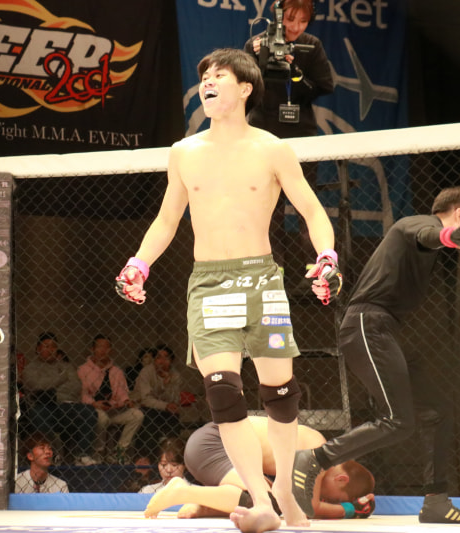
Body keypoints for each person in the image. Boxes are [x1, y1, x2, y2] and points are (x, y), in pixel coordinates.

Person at [115, 47, 341, 532]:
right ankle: (260, 499)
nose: (208, 82)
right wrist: (138, 264)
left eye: (219, 75)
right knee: (222, 391)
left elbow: (312, 210)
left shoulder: (272, 149)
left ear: (245, 88)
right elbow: (167, 219)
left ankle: (284, 488)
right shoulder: (184, 152)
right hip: (211, 284)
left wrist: (327, 257)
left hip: (262, 280)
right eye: (204, 76)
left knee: (280, 394)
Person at [291, 187, 460, 524]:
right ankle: (316, 458)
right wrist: (451, 235)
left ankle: (436, 502)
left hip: (385, 330)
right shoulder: (415, 225)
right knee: (397, 421)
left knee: (437, 410)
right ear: (458, 214)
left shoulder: (423, 242)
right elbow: (427, 235)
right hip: (367, 325)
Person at [243, 0, 333, 266]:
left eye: (303, 21)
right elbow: (244, 90)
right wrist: (257, 60)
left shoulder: (311, 45)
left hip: (301, 138)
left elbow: (324, 86)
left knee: (306, 207)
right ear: (278, 15)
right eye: (291, 19)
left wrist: (295, 73)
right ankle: (273, 270)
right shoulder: (255, 44)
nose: (296, 27)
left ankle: (318, 270)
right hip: (262, 137)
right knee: (269, 210)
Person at [145, 417, 375, 520]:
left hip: (212, 445)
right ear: (341, 479)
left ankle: (205, 505)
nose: (330, 500)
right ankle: (185, 491)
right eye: (337, 498)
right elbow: (309, 508)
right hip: (213, 445)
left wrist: (351, 505)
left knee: (268, 500)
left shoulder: (315, 445)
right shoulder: (317, 451)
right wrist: (349, 509)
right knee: (270, 503)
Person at [21, 331, 99, 466]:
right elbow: (37, 386)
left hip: (66, 406)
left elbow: (75, 386)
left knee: (88, 412)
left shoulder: (66, 366)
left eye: (54, 346)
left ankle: (82, 454)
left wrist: (53, 391)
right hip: (43, 406)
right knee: (39, 413)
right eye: (47, 346)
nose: (51, 349)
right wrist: (61, 379)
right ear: (38, 348)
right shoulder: (30, 368)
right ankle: (52, 454)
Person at [78, 334, 144, 465]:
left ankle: (119, 451)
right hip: (93, 409)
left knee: (137, 415)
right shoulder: (83, 370)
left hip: (113, 409)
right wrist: (93, 403)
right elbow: (81, 394)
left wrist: (126, 401)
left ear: (111, 350)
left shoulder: (116, 371)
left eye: (106, 347)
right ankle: (98, 452)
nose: (103, 350)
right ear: (92, 349)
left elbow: (122, 392)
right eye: (99, 347)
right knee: (102, 418)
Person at [132, 344, 184, 455]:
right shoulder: (146, 372)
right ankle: (148, 456)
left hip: (165, 410)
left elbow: (174, 400)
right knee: (150, 418)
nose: (162, 361)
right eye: (159, 357)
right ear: (154, 360)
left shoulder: (175, 375)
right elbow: (145, 399)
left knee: (174, 417)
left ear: (171, 361)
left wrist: (167, 383)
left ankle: (171, 453)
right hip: (145, 408)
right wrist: (165, 404)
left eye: (166, 358)